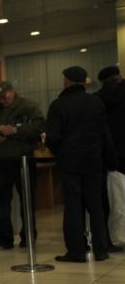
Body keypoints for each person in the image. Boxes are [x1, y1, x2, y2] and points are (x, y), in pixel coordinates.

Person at [45, 66, 117, 262]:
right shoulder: (96, 102)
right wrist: (110, 159)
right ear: (84, 81)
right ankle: (101, 249)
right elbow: (105, 133)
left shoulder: (58, 105)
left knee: (73, 207)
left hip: (69, 162)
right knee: (96, 205)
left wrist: (58, 150)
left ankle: (76, 251)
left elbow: (52, 137)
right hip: (93, 160)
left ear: (67, 81)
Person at [0, 81, 45, 249]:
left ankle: (28, 236)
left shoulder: (29, 106)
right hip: (3, 160)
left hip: (24, 159)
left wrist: (15, 130)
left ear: (13, 92)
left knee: (27, 199)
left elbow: (40, 126)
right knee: (2, 200)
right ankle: (4, 237)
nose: (2, 100)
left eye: (5, 96)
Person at [94, 65, 125, 252]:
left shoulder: (98, 100)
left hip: (111, 157)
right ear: (119, 76)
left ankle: (116, 238)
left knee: (115, 201)